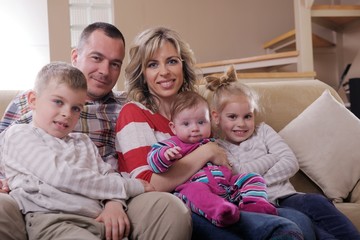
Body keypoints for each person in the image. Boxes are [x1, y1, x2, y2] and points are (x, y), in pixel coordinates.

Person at [0, 22, 192, 240]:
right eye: (97, 58)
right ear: (75, 56)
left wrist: (114, 202)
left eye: (115, 64)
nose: (104, 71)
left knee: (169, 207)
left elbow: (110, 170)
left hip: (110, 199)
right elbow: (8, 153)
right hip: (45, 207)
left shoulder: (125, 108)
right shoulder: (32, 101)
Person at [115, 26, 307, 240]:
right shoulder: (133, 113)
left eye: (172, 61)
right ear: (142, 74)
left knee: (300, 222)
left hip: (225, 195)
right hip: (183, 206)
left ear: (183, 66)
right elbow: (149, 184)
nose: (165, 72)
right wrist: (206, 152)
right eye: (152, 64)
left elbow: (227, 161)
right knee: (283, 230)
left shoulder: (196, 109)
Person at [1, 61, 157, 240]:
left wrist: (114, 202)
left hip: (99, 219)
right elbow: (62, 176)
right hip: (55, 220)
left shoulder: (83, 142)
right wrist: (130, 186)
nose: (67, 113)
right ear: (33, 101)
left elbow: (109, 174)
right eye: (58, 102)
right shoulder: (20, 134)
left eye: (76, 108)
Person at [206, 65, 360, 240]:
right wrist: (271, 158)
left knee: (317, 202)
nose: (241, 124)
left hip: (288, 196)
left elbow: (290, 162)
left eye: (247, 116)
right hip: (261, 206)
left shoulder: (263, 131)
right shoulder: (218, 148)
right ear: (217, 117)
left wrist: (256, 181)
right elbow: (239, 173)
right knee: (309, 228)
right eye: (232, 117)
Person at [147, 91, 277, 227]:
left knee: (253, 178)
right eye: (186, 124)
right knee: (194, 191)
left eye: (201, 122)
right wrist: (165, 155)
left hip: (226, 186)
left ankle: (256, 206)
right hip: (196, 188)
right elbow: (153, 161)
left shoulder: (215, 143)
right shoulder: (173, 144)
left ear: (210, 121)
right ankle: (221, 212)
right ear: (173, 128)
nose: (195, 128)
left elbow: (231, 166)